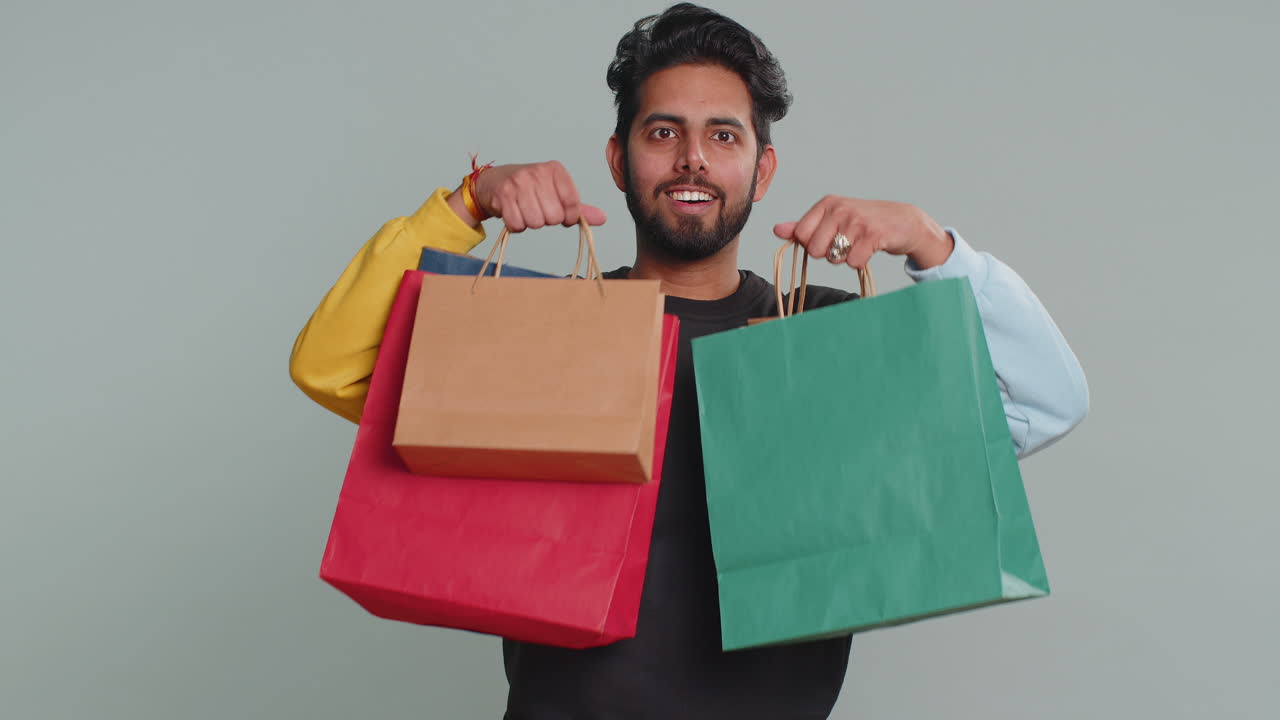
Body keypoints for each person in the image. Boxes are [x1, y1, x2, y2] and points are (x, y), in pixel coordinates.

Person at [290, 4, 1088, 718]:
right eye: (663, 132)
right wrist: (468, 203)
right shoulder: (539, 335)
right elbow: (331, 365)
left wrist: (930, 240)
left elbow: (1045, 401)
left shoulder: (828, 339)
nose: (692, 159)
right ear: (618, 160)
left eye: (724, 135)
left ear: (761, 170)